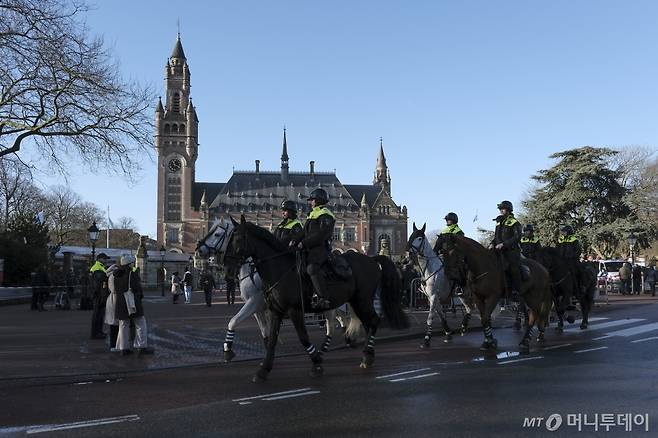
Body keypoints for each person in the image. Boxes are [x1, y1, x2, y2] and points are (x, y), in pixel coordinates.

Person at [294, 188, 335, 310]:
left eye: (311, 200)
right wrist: (295, 240)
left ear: (317, 201)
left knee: (312, 268)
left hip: (320, 249)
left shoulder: (326, 214)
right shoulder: (312, 213)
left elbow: (322, 235)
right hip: (310, 248)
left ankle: (324, 298)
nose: (309, 202)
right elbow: (304, 231)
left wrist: (304, 243)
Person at [112, 255, 153, 356]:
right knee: (140, 323)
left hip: (120, 302)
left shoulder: (116, 275)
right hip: (132, 302)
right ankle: (141, 346)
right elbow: (136, 288)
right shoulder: (132, 273)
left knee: (123, 325)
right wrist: (140, 296)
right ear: (129, 264)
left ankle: (123, 348)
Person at [490, 200, 522, 300]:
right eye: (500, 209)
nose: (501, 211)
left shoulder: (514, 222)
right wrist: (492, 243)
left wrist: (504, 244)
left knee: (513, 268)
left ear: (508, 210)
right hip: (499, 250)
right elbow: (496, 236)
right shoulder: (498, 222)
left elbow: (517, 237)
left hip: (511, 250)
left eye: (502, 209)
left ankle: (517, 290)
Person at [557, 225, 584, 294]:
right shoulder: (560, 240)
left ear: (569, 232)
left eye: (564, 232)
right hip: (562, 261)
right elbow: (557, 249)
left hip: (572, 261)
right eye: (563, 232)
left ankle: (581, 286)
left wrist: (571, 256)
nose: (563, 233)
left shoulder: (574, 239)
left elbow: (578, 251)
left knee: (580, 271)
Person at [89, 253, 110, 339]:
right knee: (97, 315)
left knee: (99, 315)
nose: (106, 261)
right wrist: (102, 296)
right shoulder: (98, 269)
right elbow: (99, 285)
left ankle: (98, 331)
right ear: (100, 259)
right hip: (98, 296)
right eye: (105, 259)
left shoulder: (98, 267)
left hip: (97, 295)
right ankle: (96, 333)